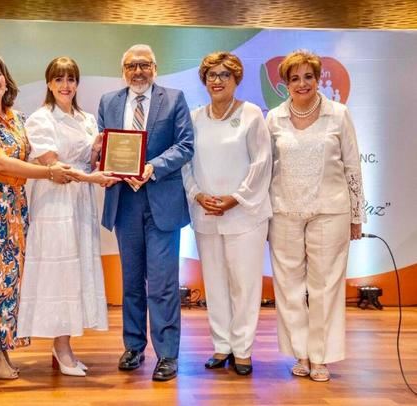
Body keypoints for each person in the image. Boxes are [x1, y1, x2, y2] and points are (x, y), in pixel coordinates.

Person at [0, 53, 72, 380]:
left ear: (6, 78)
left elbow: (44, 150)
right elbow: (1, 163)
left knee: (8, 279)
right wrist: (48, 173)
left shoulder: (19, 118)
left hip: (15, 205)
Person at [266, 49, 366, 382]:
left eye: (308, 76)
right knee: (289, 287)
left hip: (331, 211)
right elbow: (266, 170)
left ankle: (321, 357)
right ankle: (301, 353)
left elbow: (353, 166)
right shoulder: (274, 118)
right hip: (283, 211)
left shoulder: (339, 114)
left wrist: (356, 216)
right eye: (295, 78)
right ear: (285, 84)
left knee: (325, 286)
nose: (303, 83)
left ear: (318, 77)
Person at [17, 57, 119, 377]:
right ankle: (60, 348)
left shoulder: (87, 118)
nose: (65, 85)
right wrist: (92, 178)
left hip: (80, 203)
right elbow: (55, 167)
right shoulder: (40, 119)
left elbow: (89, 159)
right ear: (49, 83)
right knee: (59, 275)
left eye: (71, 79)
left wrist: (104, 148)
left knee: (76, 273)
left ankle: (65, 347)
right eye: (59, 79)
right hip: (54, 203)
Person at [97, 44, 194, 381]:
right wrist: (102, 161)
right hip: (124, 202)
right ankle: (134, 346)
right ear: (123, 70)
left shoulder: (175, 98)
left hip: (161, 202)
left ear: (155, 67)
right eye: (131, 65)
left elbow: (185, 145)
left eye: (144, 65)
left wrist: (151, 167)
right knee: (131, 281)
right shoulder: (108, 102)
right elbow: (102, 144)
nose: (138, 71)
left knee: (164, 283)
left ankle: (167, 354)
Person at [182, 52, 272, 376]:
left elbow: (262, 163)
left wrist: (236, 198)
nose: (216, 80)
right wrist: (197, 195)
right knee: (215, 283)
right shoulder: (195, 118)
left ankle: (243, 349)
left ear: (236, 80)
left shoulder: (251, 115)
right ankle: (222, 346)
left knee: (244, 285)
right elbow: (185, 164)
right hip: (206, 214)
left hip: (245, 215)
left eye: (224, 75)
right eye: (211, 75)